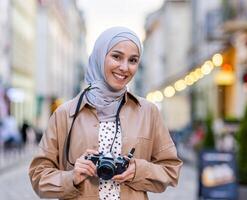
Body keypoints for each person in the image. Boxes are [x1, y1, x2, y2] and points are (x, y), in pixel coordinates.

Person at [29, 27, 182, 200]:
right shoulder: (65, 114)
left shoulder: (148, 112)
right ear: (100, 57)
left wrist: (137, 170)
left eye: (133, 60)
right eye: (116, 57)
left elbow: (171, 169)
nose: (124, 67)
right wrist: (71, 177)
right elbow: (38, 176)